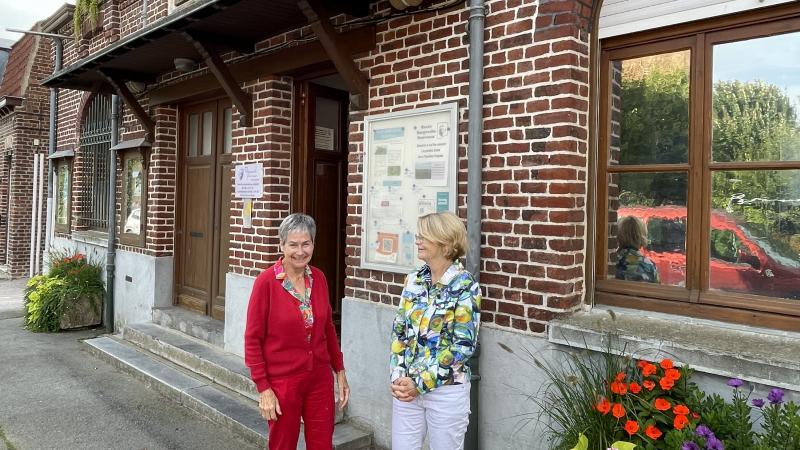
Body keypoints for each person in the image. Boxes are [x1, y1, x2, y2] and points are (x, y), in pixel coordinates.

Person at [244, 213, 350, 450]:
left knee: (322, 445)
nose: (300, 251)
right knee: (283, 445)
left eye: (306, 243)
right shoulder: (266, 283)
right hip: (283, 382)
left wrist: (339, 370)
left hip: (319, 378)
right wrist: (264, 389)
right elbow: (252, 340)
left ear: (313, 244)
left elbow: (328, 329)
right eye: (293, 244)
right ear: (281, 245)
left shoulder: (319, 278)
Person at [389, 212, 481, 450]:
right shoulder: (414, 281)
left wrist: (419, 382)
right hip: (407, 390)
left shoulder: (464, 285)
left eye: (423, 236)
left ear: (445, 241)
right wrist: (398, 376)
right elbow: (399, 332)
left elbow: (463, 346)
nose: (417, 240)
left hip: (446, 393)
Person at [615, 215, 661, 283]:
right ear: (642, 237)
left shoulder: (611, 262)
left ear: (619, 235)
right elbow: (657, 291)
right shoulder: (649, 266)